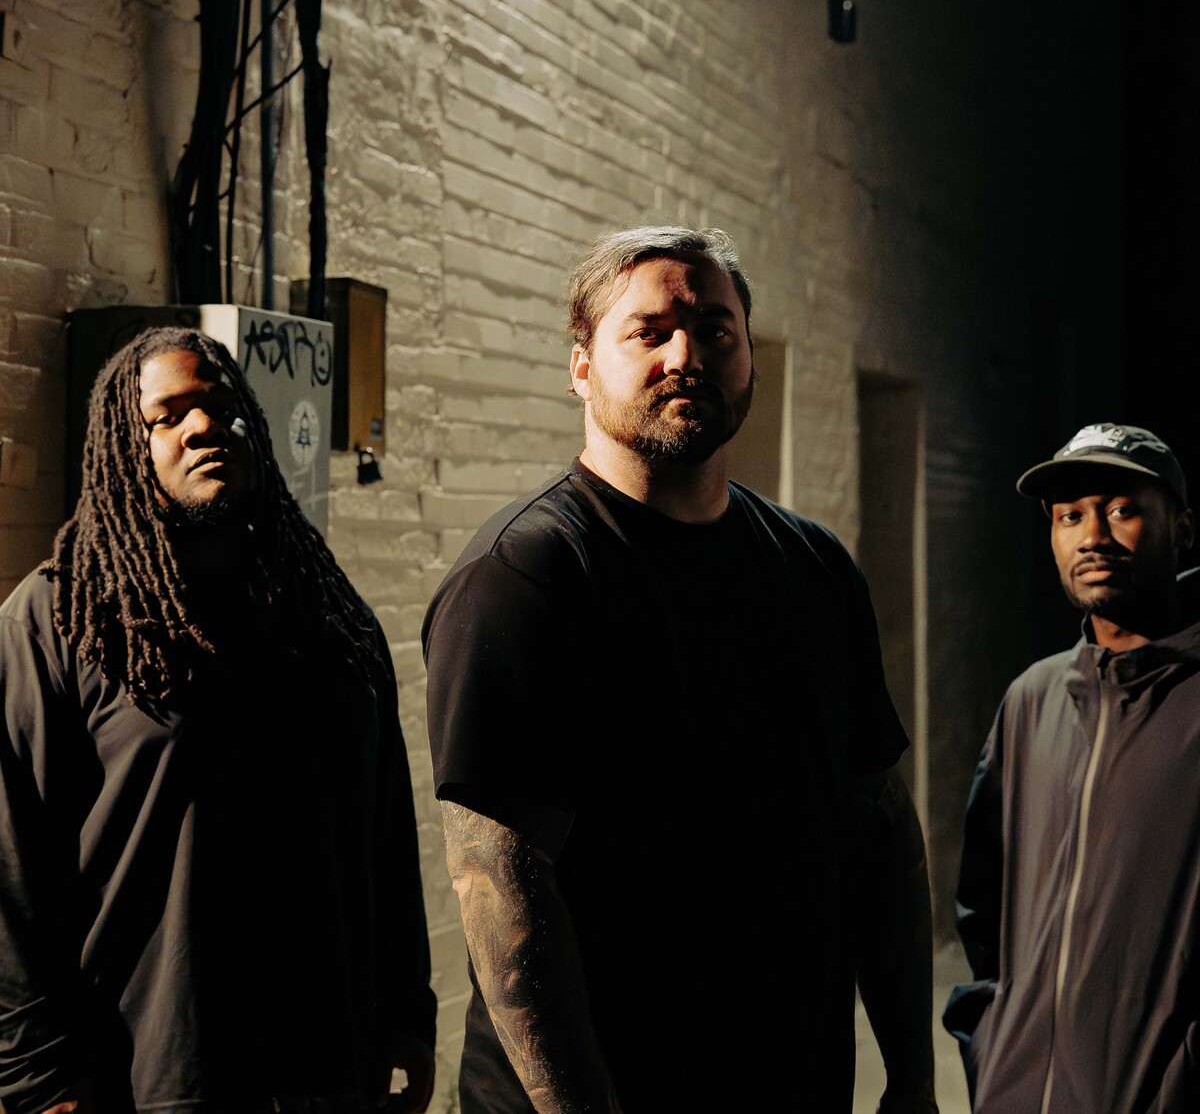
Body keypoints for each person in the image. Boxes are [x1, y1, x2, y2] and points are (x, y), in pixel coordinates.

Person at [422, 225, 939, 1114]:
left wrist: (915, 1077)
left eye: (714, 330)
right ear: (581, 367)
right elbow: (499, 883)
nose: (686, 355)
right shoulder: (525, 577)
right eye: (649, 332)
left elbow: (879, 830)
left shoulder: (814, 570)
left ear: (749, 361)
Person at [0, 326, 437, 1114]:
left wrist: (407, 1011)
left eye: (221, 405)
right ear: (122, 446)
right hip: (156, 1075)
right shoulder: (59, 619)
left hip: (327, 1068)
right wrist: (38, 1078)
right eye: (168, 415)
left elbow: (385, 833)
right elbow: (11, 863)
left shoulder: (327, 612)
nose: (204, 425)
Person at [945, 422, 1200, 1112]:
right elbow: (983, 910)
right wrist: (991, 1045)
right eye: (1070, 516)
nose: (1093, 536)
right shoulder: (1032, 700)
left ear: (1181, 530)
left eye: (1121, 510)